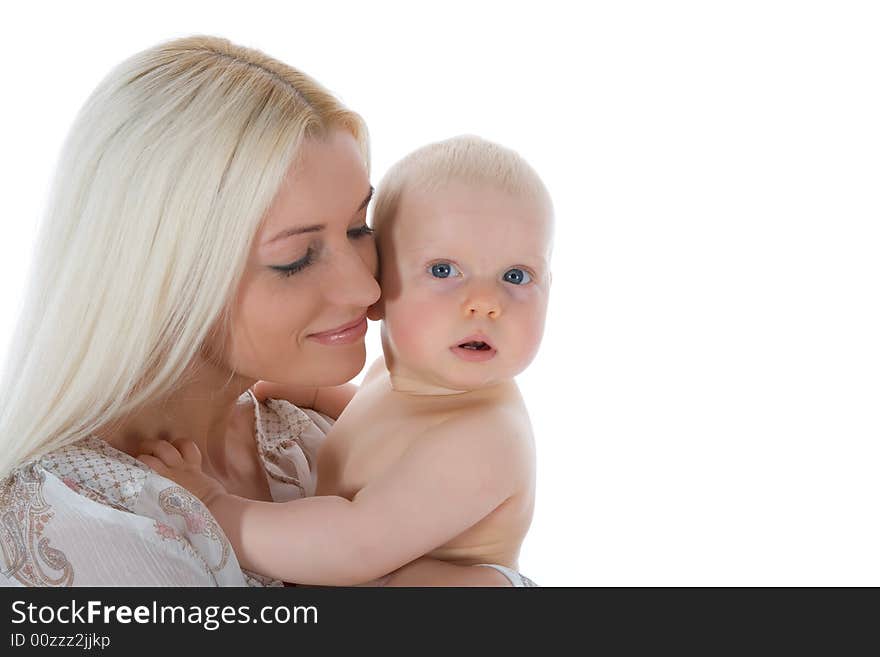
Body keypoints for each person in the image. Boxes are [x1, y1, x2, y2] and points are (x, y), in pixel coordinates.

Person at [0, 36, 513, 586]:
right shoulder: (81, 528)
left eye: (360, 228)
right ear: (162, 277)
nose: (367, 288)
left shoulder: (310, 431)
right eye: (296, 257)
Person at [140, 135, 552, 586]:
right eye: (443, 271)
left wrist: (215, 505)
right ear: (375, 284)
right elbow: (380, 425)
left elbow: (353, 545)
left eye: (516, 276)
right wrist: (316, 393)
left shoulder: (486, 439)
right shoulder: (406, 381)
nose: (485, 303)